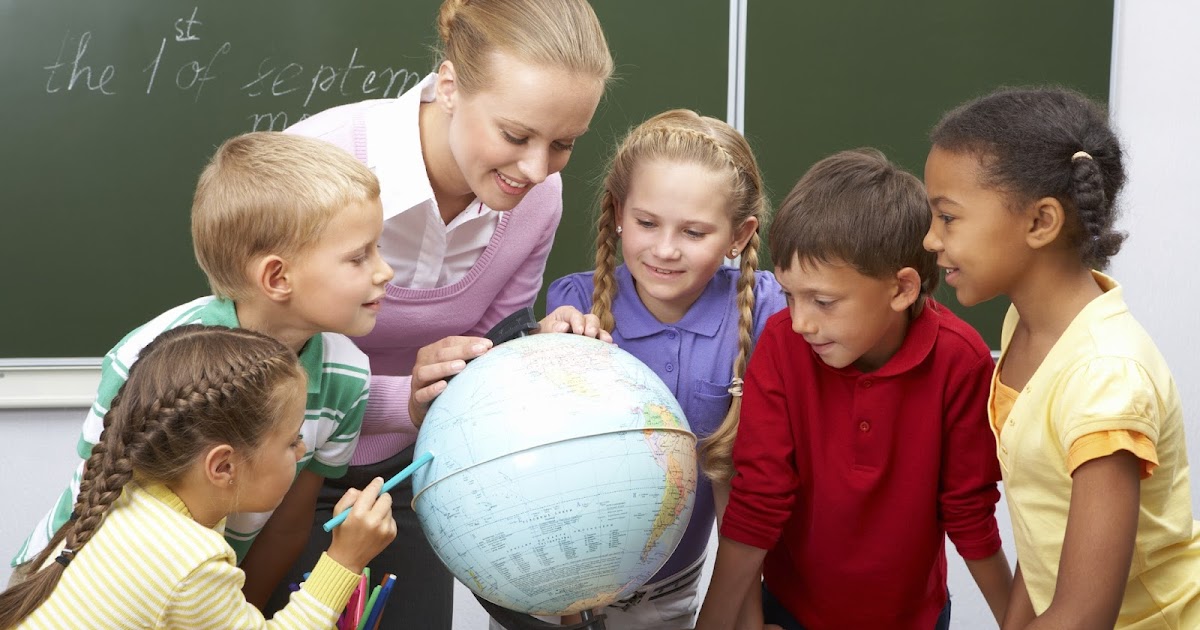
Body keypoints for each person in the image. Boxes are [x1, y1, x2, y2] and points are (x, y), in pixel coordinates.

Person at [273, 0, 614, 625]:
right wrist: (400, 396)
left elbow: (490, 344)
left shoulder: (537, 199)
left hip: (414, 475)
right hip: (275, 478)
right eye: (515, 135)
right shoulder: (317, 161)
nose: (537, 168)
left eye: (563, 143)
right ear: (450, 85)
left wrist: (534, 352)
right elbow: (245, 362)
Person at [9, 132, 394, 611]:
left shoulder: (346, 377)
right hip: (87, 589)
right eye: (360, 256)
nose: (385, 272)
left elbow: (289, 523)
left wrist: (242, 611)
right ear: (277, 277)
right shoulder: (150, 355)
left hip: (202, 595)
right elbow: (100, 495)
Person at [696, 149, 1012, 630]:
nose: (800, 321)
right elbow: (758, 499)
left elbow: (968, 510)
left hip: (916, 619)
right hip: (792, 611)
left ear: (902, 289)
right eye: (788, 294)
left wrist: (1016, 621)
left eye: (823, 301)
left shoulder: (961, 362)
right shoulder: (782, 346)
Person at [923, 87, 1200, 629]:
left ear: (1040, 223)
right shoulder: (1026, 327)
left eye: (948, 218)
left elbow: (1085, 615)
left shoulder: (1104, 378)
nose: (931, 239)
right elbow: (1045, 525)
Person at [547, 109, 784, 629]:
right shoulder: (573, 303)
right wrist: (539, 361)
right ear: (617, 212)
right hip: (551, 591)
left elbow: (751, 487)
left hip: (669, 595)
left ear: (738, 235)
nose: (665, 249)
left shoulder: (770, 312)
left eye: (694, 232)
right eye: (646, 223)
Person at [0, 325, 397, 628]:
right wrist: (345, 558)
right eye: (292, 441)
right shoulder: (191, 560)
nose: (301, 451)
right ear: (222, 467)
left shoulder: (127, 492)